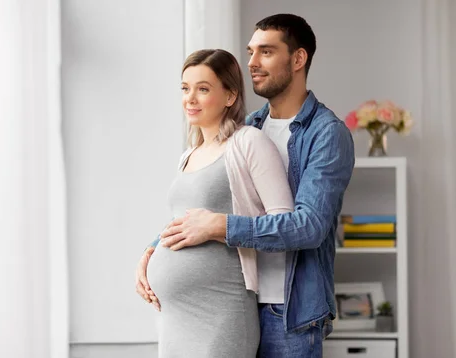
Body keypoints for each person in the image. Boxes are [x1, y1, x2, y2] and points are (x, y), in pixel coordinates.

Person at [139, 14, 356, 357]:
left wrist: (220, 227)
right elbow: (207, 206)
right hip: (238, 299)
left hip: (288, 310)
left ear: (298, 59)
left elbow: (310, 226)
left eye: (266, 52)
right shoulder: (248, 128)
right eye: (251, 51)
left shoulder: (326, 134)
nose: (252, 62)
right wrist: (153, 250)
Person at [142, 48, 295, 358]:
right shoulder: (189, 155)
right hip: (175, 319)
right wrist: (148, 256)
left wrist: (219, 228)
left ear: (229, 96)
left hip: (220, 310)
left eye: (203, 89)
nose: (190, 98)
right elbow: (183, 222)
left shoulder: (248, 142)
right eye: (185, 89)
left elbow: (285, 223)